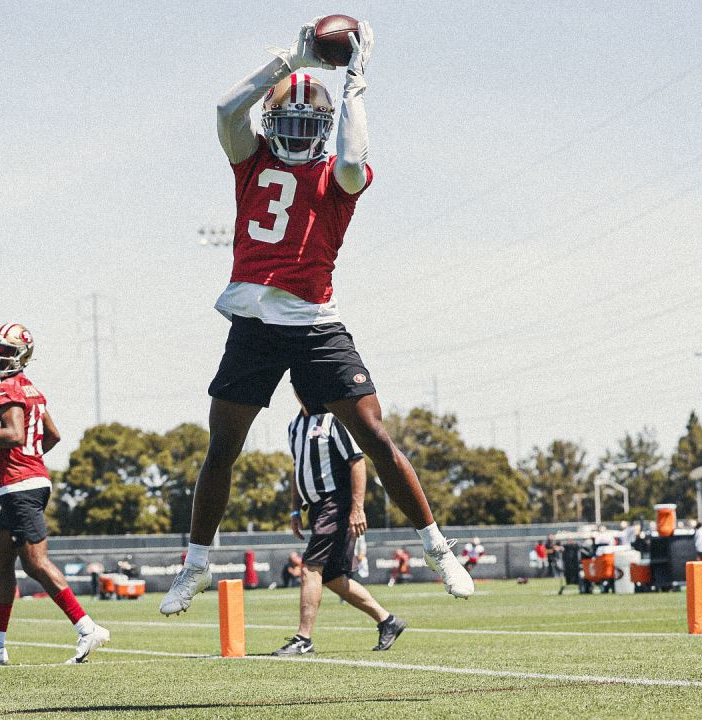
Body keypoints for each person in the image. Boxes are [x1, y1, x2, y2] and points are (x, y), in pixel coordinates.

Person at [158, 17, 473, 617]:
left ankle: (436, 547)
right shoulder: (251, 161)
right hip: (253, 323)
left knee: (376, 438)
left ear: (324, 128)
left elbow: (354, 155)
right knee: (221, 447)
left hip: (314, 323)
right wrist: (289, 63)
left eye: (311, 125)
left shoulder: (337, 176)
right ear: (274, 124)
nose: (300, 133)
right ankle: (195, 564)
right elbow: (227, 109)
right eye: (291, 122)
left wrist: (355, 83)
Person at [0, 323, 108, 665]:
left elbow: (13, 434)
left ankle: (88, 628)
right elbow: (53, 434)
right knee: (1, 562)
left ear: (22, 356)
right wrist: (33, 455)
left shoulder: (6, 390)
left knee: (35, 562)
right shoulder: (33, 391)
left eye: (7, 352)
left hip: (21, 485)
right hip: (28, 482)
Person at [274, 405, 405, 655]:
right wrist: (294, 510)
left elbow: (357, 462)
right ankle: (388, 621)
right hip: (315, 506)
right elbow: (297, 468)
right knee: (332, 576)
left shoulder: (334, 420)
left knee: (310, 567)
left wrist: (357, 508)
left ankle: (303, 639)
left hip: (336, 503)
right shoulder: (294, 426)